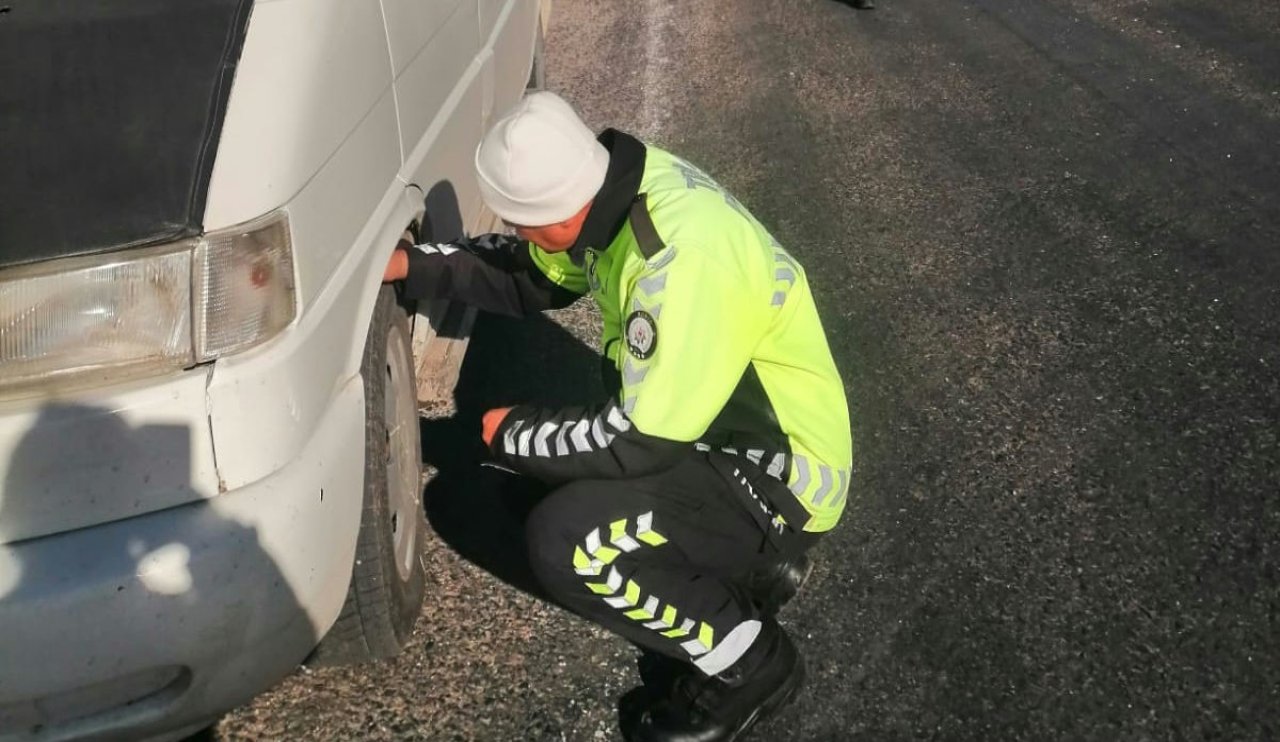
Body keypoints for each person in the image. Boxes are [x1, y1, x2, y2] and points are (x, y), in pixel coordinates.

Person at [383, 91, 852, 742]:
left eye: (520, 220)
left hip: (780, 475)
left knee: (568, 540)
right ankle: (743, 569)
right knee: (521, 493)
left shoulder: (679, 260)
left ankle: (748, 662)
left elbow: (640, 441)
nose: (516, 231)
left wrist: (516, 430)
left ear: (554, 210)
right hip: (713, 437)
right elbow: (527, 276)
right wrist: (411, 267)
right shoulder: (607, 190)